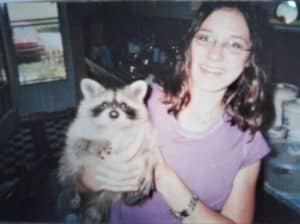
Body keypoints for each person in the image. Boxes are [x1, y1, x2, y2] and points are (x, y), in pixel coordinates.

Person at [80, 2, 271, 223]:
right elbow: (83, 180)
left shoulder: (248, 140)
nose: (215, 55)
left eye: (234, 45)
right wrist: (103, 172)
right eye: (205, 38)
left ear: (249, 59)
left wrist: (162, 177)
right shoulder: (140, 102)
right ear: (190, 44)